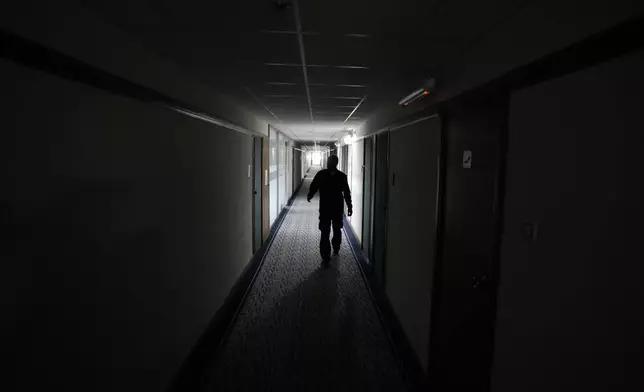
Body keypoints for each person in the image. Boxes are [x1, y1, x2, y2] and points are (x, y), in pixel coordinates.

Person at [307, 155, 353, 266]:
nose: (330, 163)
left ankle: (328, 253)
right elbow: (346, 192)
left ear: (332, 163)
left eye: (330, 161)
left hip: (327, 208)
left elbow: (314, 186)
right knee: (332, 230)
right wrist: (349, 206)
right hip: (334, 208)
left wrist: (310, 195)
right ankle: (331, 251)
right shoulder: (341, 176)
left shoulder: (322, 174)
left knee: (328, 231)